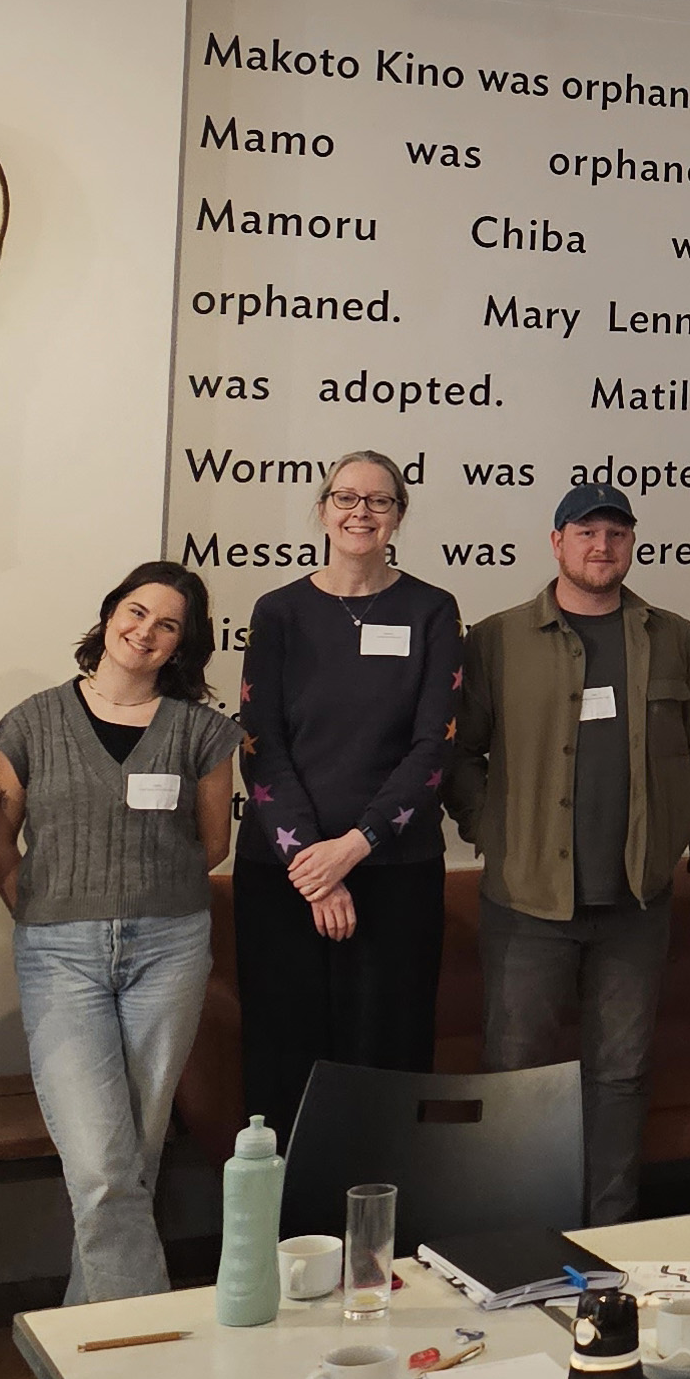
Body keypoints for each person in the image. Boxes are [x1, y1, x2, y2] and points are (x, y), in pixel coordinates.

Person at [450, 482, 690, 1224]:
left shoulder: (666, 635)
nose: (601, 548)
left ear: (630, 544)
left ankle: (611, 1237)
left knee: (621, 1076)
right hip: (526, 901)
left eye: (615, 534)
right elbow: (457, 753)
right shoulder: (498, 638)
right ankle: (514, 1230)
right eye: (585, 533)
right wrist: (494, 831)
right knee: (516, 1077)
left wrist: (676, 823)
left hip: (634, 902)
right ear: (555, 542)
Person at [0, 562, 238, 1304]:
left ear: (182, 644)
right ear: (107, 616)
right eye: (136, 611)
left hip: (171, 947)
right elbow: (0, 838)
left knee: (135, 1153)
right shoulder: (32, 720)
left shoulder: (203, 731)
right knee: (100, 1161)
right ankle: (140, 1337)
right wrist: (35, 909)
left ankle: (83, 1329)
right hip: (59, 954)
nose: (146, 632)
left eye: (168, 625)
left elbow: (213, 842)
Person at [235, 453, 462, 1138]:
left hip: (393, 874)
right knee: (283, 1066)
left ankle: (381, 1231)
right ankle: (286, 1238)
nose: (360, 512)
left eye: (379, 501)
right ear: (322, 509)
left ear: (398, 516)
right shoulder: (278, 612)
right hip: (285, 879)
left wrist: (354, 847)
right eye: (345, 498)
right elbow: (260, 744)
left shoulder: (431, 610)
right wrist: (315, 863)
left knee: (385, 1067)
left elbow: (435, 746)